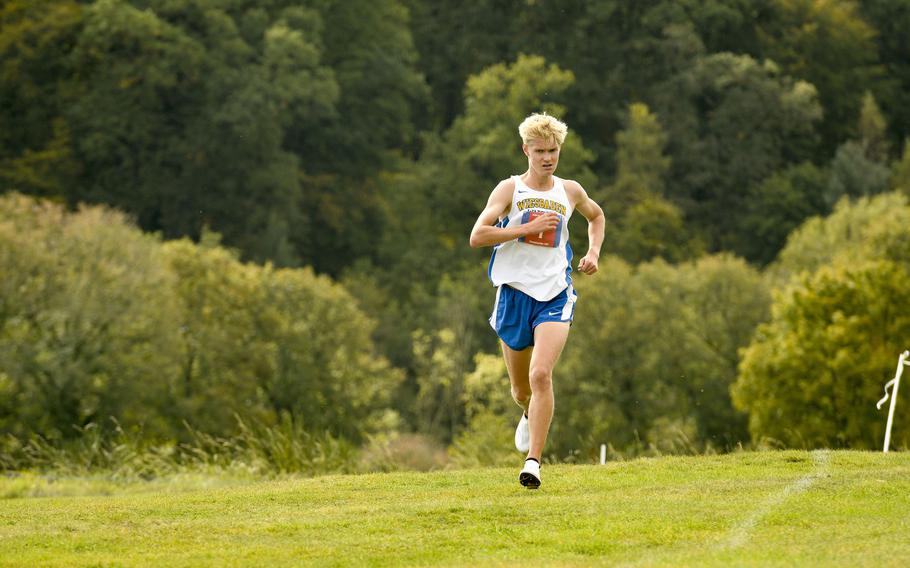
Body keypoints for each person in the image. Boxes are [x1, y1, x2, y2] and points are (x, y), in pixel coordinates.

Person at [469, 112, 604, 489]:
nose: (547, 157)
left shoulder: (570, 191)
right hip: (513, 294)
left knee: (541, 374)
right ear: (525, 150)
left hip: (554, 294)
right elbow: (477, 236)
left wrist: (593, 252)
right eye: (540, 151)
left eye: (554, 150)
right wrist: (526, 228)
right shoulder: (509, 190)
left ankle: (534, 463)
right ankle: (528, 414)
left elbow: (597, 216)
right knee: (520, 390)